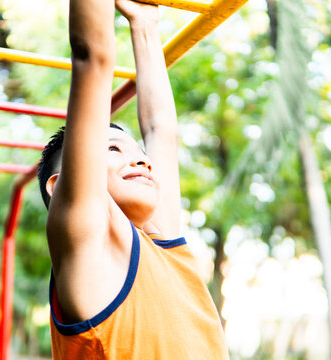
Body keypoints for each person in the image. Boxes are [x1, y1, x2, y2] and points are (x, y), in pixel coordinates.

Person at [37, 0, 228, 358]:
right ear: (59, 185)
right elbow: (92, 58)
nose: (141, 159)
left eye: (139, 152)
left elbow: (160, 130)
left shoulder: (165, 245)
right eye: (112, 150)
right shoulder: (86, 254)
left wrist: (144, 23)